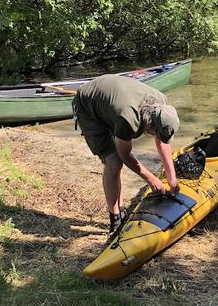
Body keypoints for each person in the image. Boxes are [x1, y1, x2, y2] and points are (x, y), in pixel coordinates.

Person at [72, 74, 180, 235]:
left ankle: (121, 208)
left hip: (111, 101)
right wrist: (152, 179)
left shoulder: (162, 104)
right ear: (149, 125)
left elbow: (163, 142)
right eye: (155, 133)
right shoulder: (128, 118)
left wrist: (172, 179)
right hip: (88, 105)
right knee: (114, 162)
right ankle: (115, 218)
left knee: (116, 162)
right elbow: (125, 155)